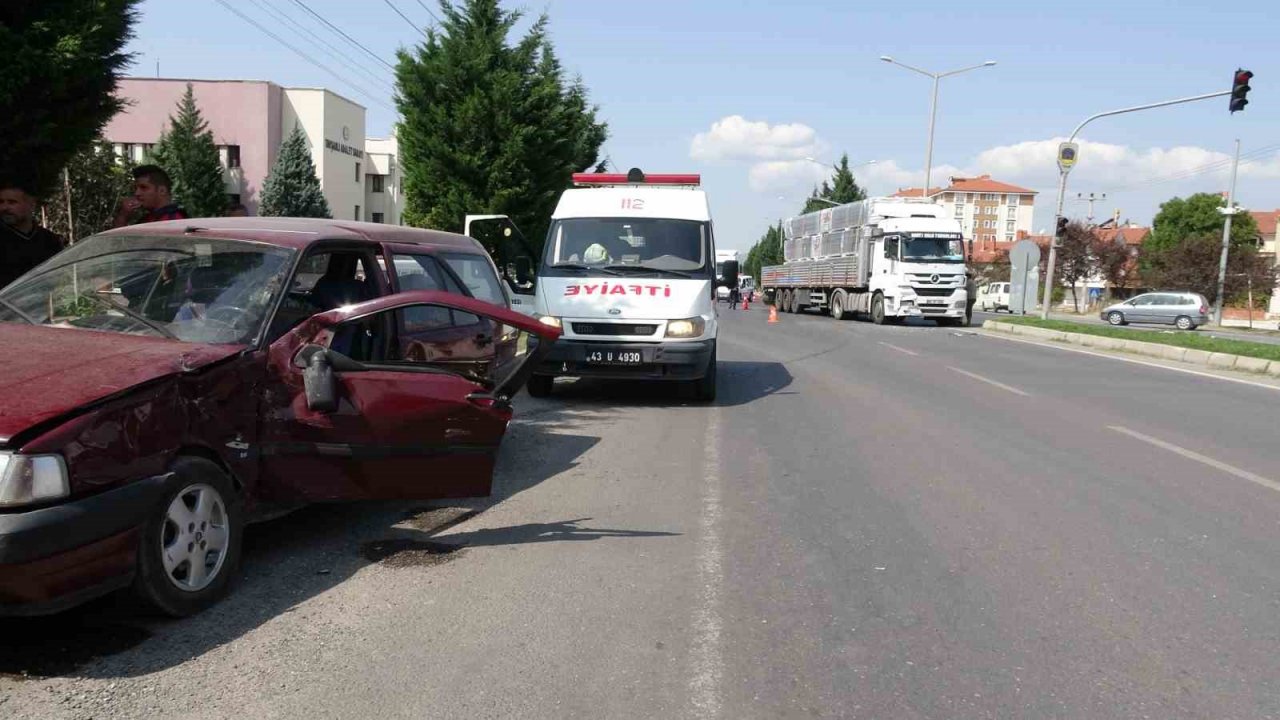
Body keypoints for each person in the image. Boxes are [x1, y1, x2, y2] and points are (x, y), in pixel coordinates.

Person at [0, 180, 65, 287]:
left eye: (12, 202)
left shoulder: (50, 241)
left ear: (31, 205)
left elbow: (59, 281)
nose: (4, 207)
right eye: (1, 202)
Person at [113, 164, 188, 227]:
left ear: (162, 191)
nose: (137, 193)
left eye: (143, 187)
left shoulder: (175, 220)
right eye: (136, 188)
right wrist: (124, 215)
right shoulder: (148, 218)